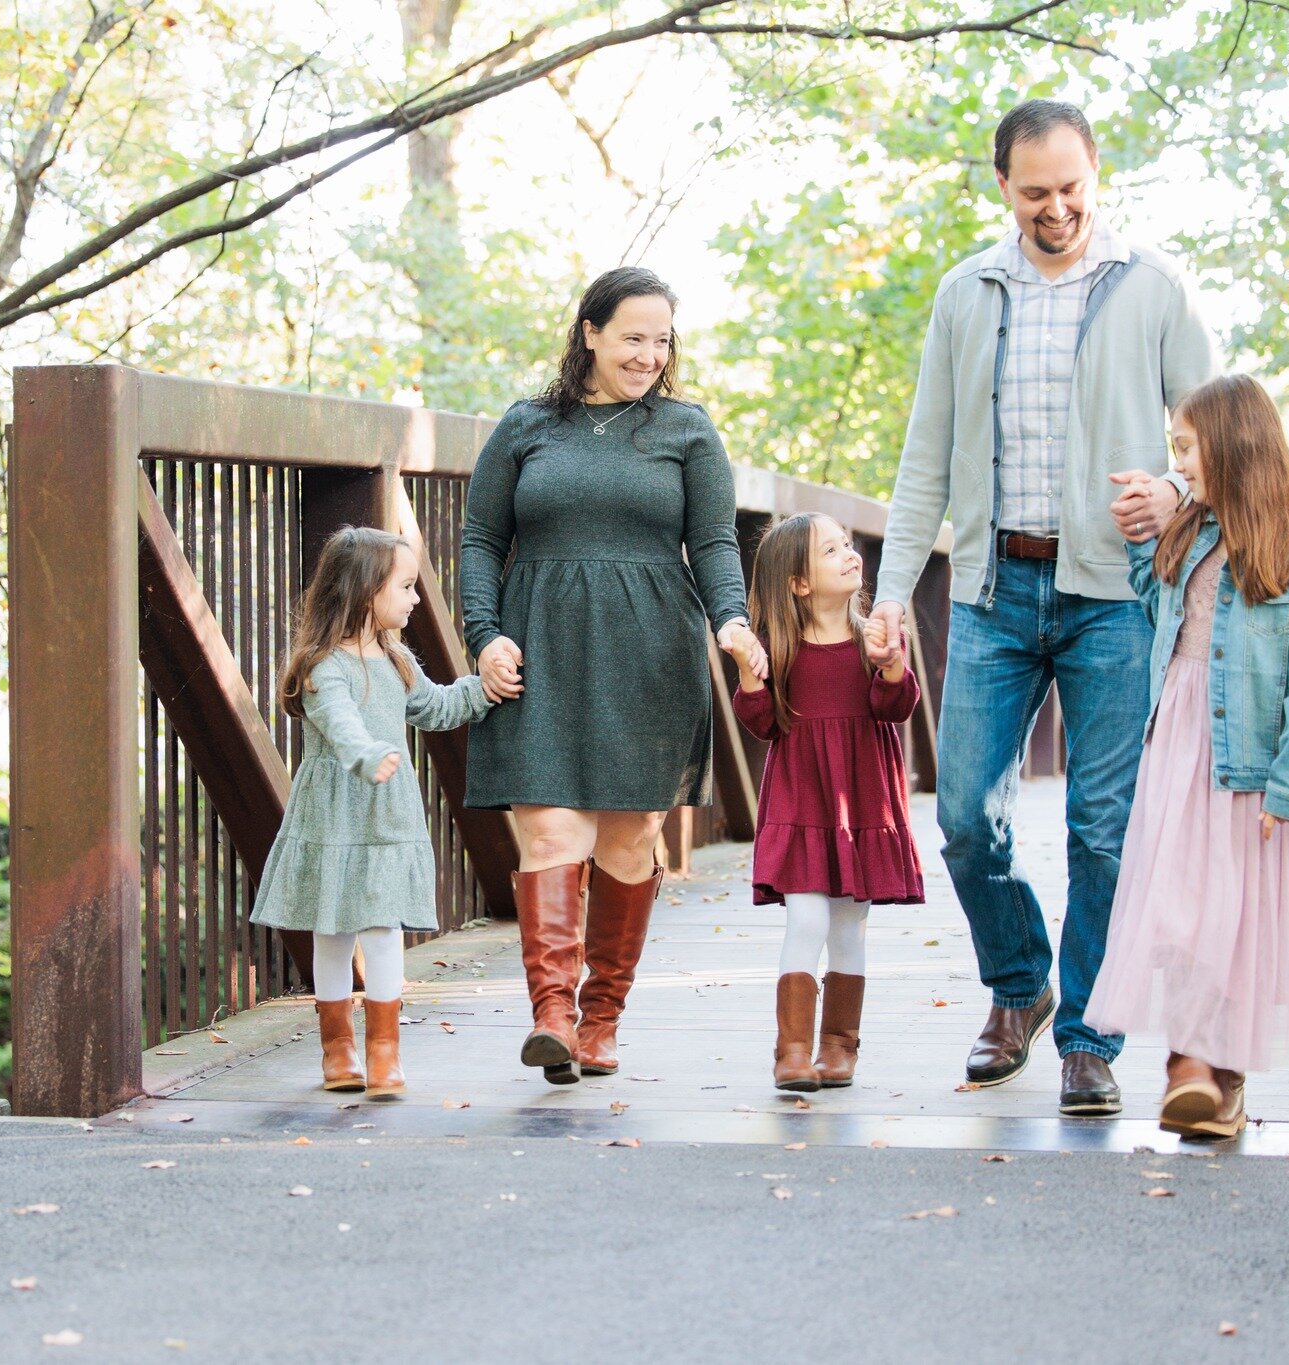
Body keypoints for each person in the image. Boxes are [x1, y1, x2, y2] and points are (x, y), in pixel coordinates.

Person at [868, 98, 1218, 1115]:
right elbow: (922, 455)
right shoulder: (964, 293)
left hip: (1111, 594)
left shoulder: (1149, 286)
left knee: (1101, 829)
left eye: (1070, 189)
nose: (1055, 208)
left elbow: (1218, 438)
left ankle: (1087, 1037)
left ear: (1092, 176)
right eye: (1034, 193)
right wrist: (891, 594)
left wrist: (1176, 494)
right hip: (987, 589)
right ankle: (1019, 985)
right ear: (1001, 189)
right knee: (968, 815)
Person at [459, 265, 768, 1085]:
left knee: (631, 839)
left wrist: (731, 622)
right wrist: (483, 635)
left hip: (651, 653)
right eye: (633, 336)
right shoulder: (528, 426)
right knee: (554, 832)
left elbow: (713, 545)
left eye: (661, 339)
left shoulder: (687, 431)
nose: (648, 354)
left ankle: (601, 1019)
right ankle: (552, 1014)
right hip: (542, 649)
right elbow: (481, 538)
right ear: (589, 332)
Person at [1086, 375, 1289, 1139]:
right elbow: (1152, 593)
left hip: (1250, 771)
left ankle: (1213, 1080)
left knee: (1231, 925)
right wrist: (1141, 526)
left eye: (1186, 447)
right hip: (1178, 754)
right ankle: (1189, 1067)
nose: (1180, 462)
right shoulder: (1190, 537)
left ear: (1230, 447)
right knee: (1177, 909)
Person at [251, 526, 497, 1097]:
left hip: (386, 819)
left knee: (383, 930)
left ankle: (384, 1054)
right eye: (406, 587)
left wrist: (484, 690)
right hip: (334, 819)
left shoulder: (396, 658)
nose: (416, 599)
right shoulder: (322, 666)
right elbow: (340, 725)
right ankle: (338, 1050)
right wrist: (367, 755)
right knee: (333, 934)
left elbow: (435, 708)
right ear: (365, 591)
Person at [726, 514, 925, 1093]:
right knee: (807, 915)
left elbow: (896, 709)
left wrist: (891, 667)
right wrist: (747, 671)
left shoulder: (873, 639)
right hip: (802, 799)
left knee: (849, 925)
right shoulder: (777, 649)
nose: (850, 554)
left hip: (861, 800)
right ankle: (792, 1050)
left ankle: (839, 1047)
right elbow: (761, 722)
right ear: (799, 584)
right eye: (831, 549)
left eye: (847, 543)